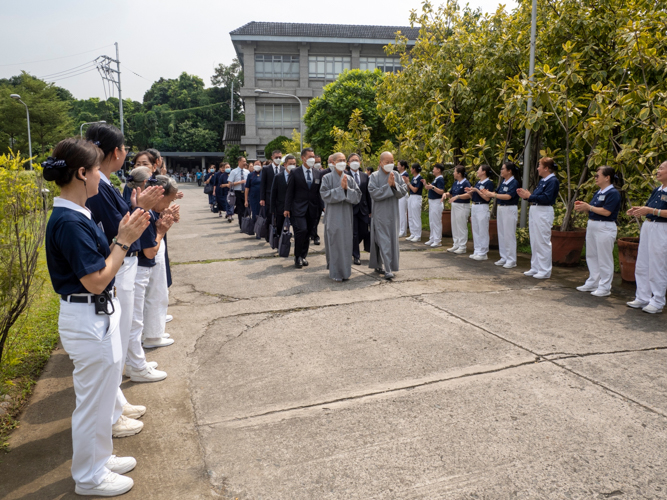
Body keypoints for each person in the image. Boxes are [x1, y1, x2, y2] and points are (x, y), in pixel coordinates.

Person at [44, 138, 150, 497]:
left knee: (105, 396)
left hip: (96, 316)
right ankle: (89, 476)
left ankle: (99, 460)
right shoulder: (69, 221)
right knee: (92, 404)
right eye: (95, 171)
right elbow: (96, 280)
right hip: (87, 316)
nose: (100, 178)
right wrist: (123, 241)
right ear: (81, 173)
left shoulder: (76, 214)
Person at [86, 123, 163, 439]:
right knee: (115, 341)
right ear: (116, 152)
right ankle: (112, 411)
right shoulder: (97, 187)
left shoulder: (101, 183)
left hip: (122, 263)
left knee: (120, 337)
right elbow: (115, 230)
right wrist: (140, 209)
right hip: (118, 264)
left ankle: (117, 403)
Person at [140, 176, 180, 349]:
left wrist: (166, 215)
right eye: (168, 201)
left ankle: (155, 331)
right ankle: (151, 336)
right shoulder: (145, 213)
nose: (167, 205)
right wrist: (161, 231)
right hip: (146, 263)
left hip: (153, 259)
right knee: (153, 295)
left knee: (158, 293)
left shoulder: (152, 211)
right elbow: (150, 251)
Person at [573, 166, 621, 297]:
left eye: (597, 175)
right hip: (593, 225)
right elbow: (594, 209)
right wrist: (584, 207)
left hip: (605, 226)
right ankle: (593, 281)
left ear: (607, 177)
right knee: (592, 255)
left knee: (604, 257)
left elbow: (606, 211)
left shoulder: (613, 193)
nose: (595, 178)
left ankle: (605, 286)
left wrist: (589, 207)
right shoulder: (599, 192)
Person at [626, 161, 667, 313]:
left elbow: (657, 210)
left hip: (662, 228)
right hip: (649, 226)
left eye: (661, 168)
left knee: (657, 265)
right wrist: (640, 210)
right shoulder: (658, 189)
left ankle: (657, 301)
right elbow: (651, 208)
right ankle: (642, 297)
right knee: (643, 262)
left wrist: (652, 210)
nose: (658, 170)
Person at [321, 152, 362, 281]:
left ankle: (345, 272)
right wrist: (340, 190)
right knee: (334, 243)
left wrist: (346, 190)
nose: (343, 162)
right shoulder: (326, 178)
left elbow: (357, 196)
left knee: (345, 243)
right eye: (340, 160)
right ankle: (335, 273)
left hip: (346, 216)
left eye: (344, 160)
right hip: (333, 216)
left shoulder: (349, 178)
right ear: (333, 162)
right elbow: (324, 194)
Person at [517, 157, 560, 279]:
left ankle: (545, 270)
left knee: (542, 240)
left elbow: (547, 198)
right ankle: (535, 266)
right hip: (536, 209)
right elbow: (535, 196)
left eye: (539, 166)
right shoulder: (543, 181)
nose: (537, 168)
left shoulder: (552, 181)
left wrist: (530, 196)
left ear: (546, 168)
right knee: (535, 240)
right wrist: (526, 196)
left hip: (544, 210)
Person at [368, 151, 409, 279]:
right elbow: (373, 193)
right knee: (384, 241)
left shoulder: (396, 175)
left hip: (393, 213)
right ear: (380, 163)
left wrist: (394, 185)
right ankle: (388, 269)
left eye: (392, 162)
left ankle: (378, 265)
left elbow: (403, 191)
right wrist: (388, 186)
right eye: (387, 162)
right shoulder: (374, 176)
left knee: (391, 240)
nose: (390, 164)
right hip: (380, 214)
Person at [284, 147, 323, 268]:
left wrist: (323, 207)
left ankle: (303, 256)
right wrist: (287, 208)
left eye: (313, 156)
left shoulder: (317, 173)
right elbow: (289, 192)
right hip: (298, 208)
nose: (313, 159)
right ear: (303, 158)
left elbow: (319, 193)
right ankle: (297, 257)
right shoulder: (295, 172)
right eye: (310, 157)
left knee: (308, 233)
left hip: (313, 209)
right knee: (301, 230)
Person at [483, 162, 520, 268]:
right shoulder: (504, 182)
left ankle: (511, 260)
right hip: (501, 208)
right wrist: (486, 192)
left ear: (509, 171)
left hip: (509, 208)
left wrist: (493, 195)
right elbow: (497, 192)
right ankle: (504, 257)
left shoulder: (514, 182)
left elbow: (508, 196)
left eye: (503, 169)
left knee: (509, 234)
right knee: (502, 234)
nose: (501, 171)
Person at [465, 164, 496, 260]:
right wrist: (470, 192)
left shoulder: (488, 183)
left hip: (482, 207)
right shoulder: (478, 182)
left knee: (482, 229)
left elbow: (487, 198)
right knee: (476, 229)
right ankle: (477, 250)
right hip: (474, 206)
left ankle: (483, 252)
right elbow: (474, 196)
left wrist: (477, 190)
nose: (477, 171)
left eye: (479, 170)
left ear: (484, 172)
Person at [348, 153, 373, 265]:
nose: (355, 162)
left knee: (363, 232)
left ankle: (351, 247)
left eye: (356, 160)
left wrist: (370, 209)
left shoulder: (364, 176)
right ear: (348, 163)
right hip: (351, 209)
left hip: (363, 209)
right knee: (354, 233)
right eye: (352, 160)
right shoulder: (345, 175)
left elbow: (367, 194)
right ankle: (356, 255)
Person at [442, 165, 472, 254]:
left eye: (455, 171)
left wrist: (458, 197)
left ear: (459, 174)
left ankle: (462, 246)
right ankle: (456, 244)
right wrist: (445, 194)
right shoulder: (455, 183)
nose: (453, 173)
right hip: (455, 206)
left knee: (461, 226)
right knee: (454, 225)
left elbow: (469, 195)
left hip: (462, 206)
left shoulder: (466, 183)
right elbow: (451, 193)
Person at [271, 154, 294, 242]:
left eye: (294, 164)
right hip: (281, 207)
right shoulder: (278, 177)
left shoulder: (296, 175)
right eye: (290, 163)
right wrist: (272, 210)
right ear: (285, 165)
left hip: (294, 207)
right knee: (280, 226)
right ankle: (280, 243)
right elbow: (273, 194)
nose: (292, 166)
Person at [261, 150, 282, 241]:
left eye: (280, 157)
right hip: (269, 196)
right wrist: (262, 198)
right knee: (269, 217)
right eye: (276, 157)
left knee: (279, 218)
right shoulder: (266, 169)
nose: (278, 159)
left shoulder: (283, 169)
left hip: (280, 198)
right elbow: (263, 184)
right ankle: (268, 235)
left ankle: (278, 235)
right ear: (272, 157)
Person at [424, 163, 446, 247]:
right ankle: (432, 238)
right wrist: (427, 185)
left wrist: (432, 187)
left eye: (434, 168)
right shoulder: (436, 179)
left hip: (437, 202)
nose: (433, 170)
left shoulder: (440, 179)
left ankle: (437, 240)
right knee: (432, 221)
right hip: (432, 202)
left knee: (436, 221)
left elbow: (441, 191)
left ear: (438, 170)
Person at [228, 157, 248, 230]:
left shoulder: (247, 172)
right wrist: (240, 182)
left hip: (246, 193)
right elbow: (229, 184)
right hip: (238, 192)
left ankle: (246, 224)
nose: (245, 163)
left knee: (247, 210)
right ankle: (242, 226)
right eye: (244, 161)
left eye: (245, 161)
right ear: (239, 162)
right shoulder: (234, 171)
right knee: (240, 210)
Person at [405, 163, 423, 242]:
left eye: (412, 168)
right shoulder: (413, 178)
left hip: (417, 197)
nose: (411, 170)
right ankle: (413, 233)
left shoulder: (419, 178)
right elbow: (410, 189)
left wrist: (408, 183)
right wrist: (407, 183)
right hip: (411, 196)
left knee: (416, 216)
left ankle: (417, 235)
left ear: (414, 169)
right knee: (411, 216)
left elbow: (415, 189)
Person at [397, 160, 410, 237]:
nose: (397, 166)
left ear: (403, 166)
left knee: (402, 213)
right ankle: (399, 229)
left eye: (399, 165)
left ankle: (403, 231)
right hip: (399, 195)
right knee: (399, 213)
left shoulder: (405, 175)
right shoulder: (399, 174)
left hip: (403, 195)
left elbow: (407, 187)